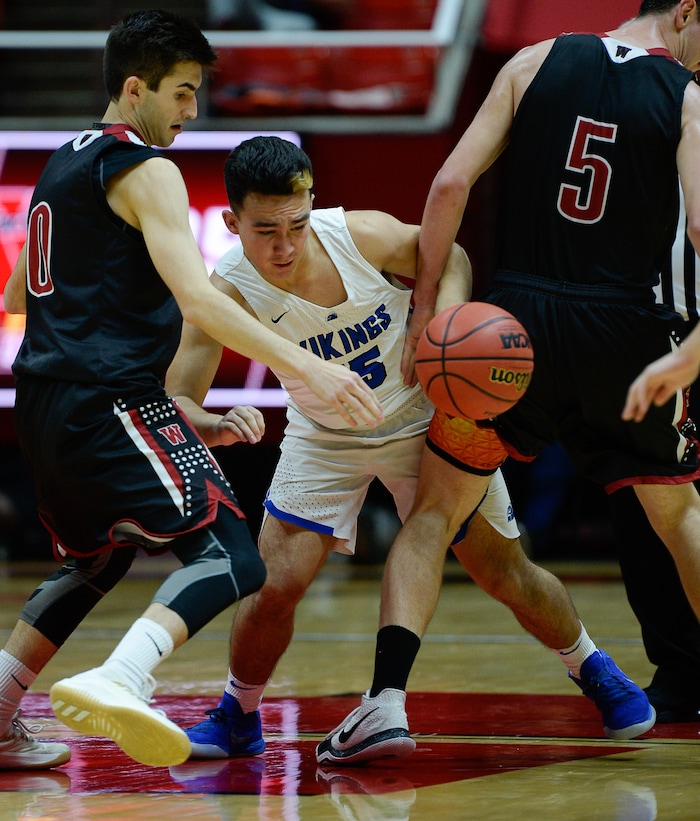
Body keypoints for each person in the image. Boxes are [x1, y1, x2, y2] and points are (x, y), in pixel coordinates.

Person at [164, 135, 653, 765]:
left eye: (297, 223)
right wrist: (218, 420)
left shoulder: (359, 234)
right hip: (324, 438)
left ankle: (594, 668)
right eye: (265, 231)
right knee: (272, 583)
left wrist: (437, 322)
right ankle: (238, 713)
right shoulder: (222, 292)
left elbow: (450, 255)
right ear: (231, 222)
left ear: (314, 204)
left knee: (501, 571)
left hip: (425, 418)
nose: (284, 245)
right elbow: (178, 398)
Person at [317, 0, 700, 764]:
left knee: (433, 513)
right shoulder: (688, 96)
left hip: (509, 336)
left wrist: (426, 308)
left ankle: (386, 701)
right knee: (679, 513)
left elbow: (450, 181)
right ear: (686, 10)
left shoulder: (530, 63)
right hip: (624, 333)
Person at [0, 9, 381, 771]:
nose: (192, 111)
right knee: (233, 557)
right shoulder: (149, 169)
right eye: (180, 93)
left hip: (42, 406)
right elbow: (203, 302)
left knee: (94, 560)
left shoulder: (58, 165)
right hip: (107, 396)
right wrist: (307, 366)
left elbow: (17, 290)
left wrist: (177, 408)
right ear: (135, 88)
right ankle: (122, 675)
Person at [612, 191, 700, 723]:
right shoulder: (637, 117)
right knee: (640, 501)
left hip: (689, 324)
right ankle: (680, 667)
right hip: (636, 330)